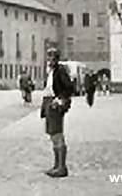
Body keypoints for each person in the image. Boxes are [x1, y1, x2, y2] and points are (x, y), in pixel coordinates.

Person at [42, 48, 73, 178]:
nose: (50, 59)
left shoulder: (60, 71)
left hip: (55, 104)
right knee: (52, 134)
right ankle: (56, 165)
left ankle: (61, 167)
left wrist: (60, 100)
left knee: (57, 133)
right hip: (49, 102)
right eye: (48, 56)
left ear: (57, 58)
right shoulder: (51, 71)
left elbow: (69, 88)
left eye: (52, 57)